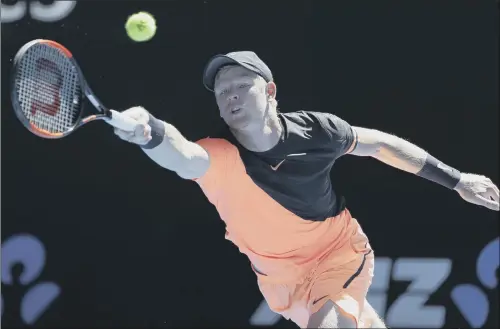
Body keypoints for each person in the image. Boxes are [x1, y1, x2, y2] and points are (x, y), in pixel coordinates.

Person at [113, 51, 499, 328]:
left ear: (269, 91)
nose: (229, 94)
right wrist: (151, 131)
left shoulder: (317, 131)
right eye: (221, 90)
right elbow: (182, 155)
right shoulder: (220, 157)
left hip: (337, 254)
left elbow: (381, 145)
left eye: (241, 85)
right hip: (280, 283)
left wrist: (456, 179)